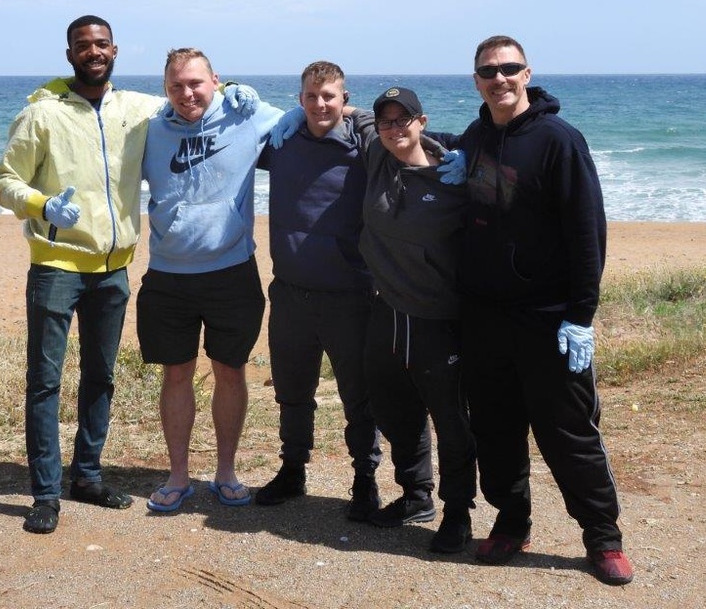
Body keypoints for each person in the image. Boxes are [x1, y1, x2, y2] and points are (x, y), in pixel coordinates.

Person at [0, 18, 259, 534]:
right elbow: (5, 181)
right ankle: (46, 494)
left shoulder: (139, 109)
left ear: (114, 50)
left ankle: (87, 476)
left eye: (100, 44)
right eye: (82, 45)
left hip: (115, 271)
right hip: (56, 266)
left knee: (101, 377)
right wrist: (43, 204)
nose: (92, 52)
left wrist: (231, 92)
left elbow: (190, 100)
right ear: (68, 52)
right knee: (45, 383)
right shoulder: (41, 114)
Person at [454, 35, 633, 584]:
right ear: (477, 80)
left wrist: (581, 315)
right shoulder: (476, 136)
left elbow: (587, 232)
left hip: (549, 319)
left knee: (569, 433)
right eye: (489, 71)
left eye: (509, 68)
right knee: (495, 428)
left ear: (527, 74)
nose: (499, 78)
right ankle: (511, 522)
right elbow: (424, 148)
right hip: (484, 317)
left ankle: (602, 537)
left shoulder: (559, 140)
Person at [137, 47, 284, 512]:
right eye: (176, 85)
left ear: (216, 80)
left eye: (196, 83)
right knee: (175, 374)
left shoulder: (247, 116)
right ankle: (178, 476)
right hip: (168, 275)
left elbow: (318, 116)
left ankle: (226, 472)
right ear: (165, 89)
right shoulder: (150, 131)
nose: (187, 93)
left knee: (230, 372)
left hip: (231, 271)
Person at [253, 61, 382, 521]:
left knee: (359, 397)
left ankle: (365, 480)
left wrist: (362, 118)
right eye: (311, 96)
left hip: (350, 295)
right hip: (289, 293)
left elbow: (412, 143)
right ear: (299, 99)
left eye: (330, 96)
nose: (320, 104)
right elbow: (228, 130)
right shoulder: (282, 144)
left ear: (344, 99)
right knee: (292, 391)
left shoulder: (365, 145)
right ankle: (293, 469)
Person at [353, 87, 477, 553]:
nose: (393, 128)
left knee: (451, 419)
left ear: (421, 122)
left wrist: (468, 156)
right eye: (387, 122)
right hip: (386, 310)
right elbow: (352, 111)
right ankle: (416, 494)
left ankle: (458, 512)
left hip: (437, 317)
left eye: (403, 120)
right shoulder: (377, 151)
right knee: (392, 408)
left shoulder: (453, 178)